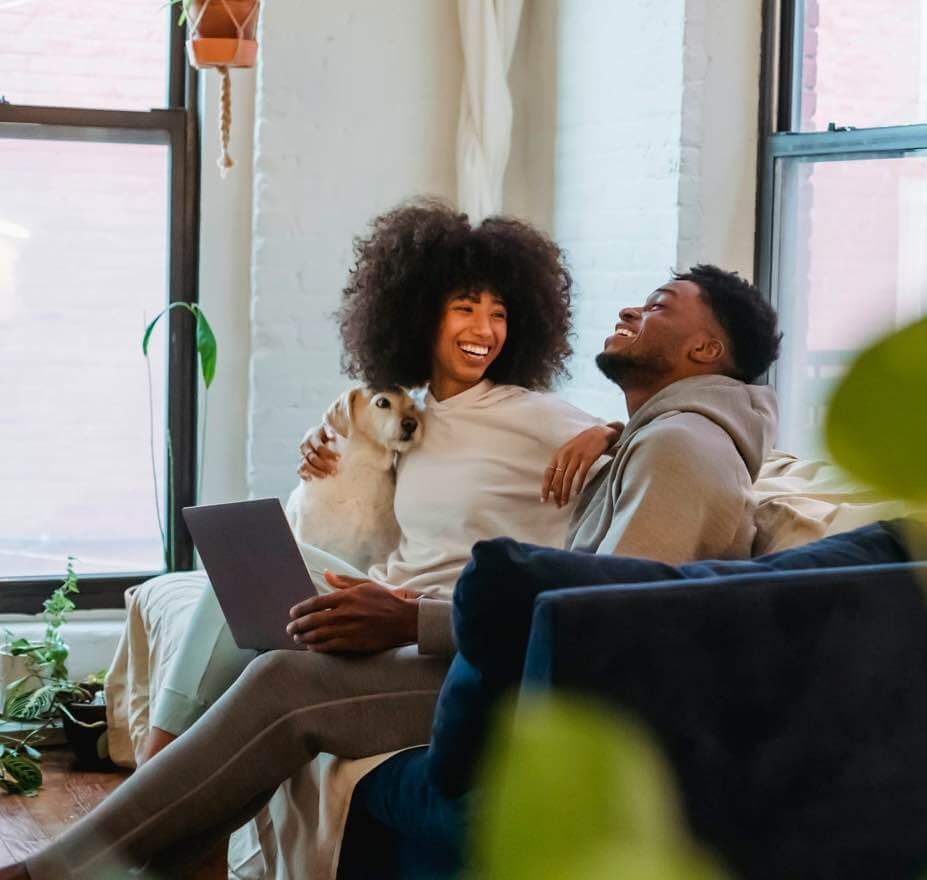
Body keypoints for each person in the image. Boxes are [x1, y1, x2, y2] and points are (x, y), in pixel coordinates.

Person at [6, 264, 782, 880]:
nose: (631, 310)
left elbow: (612, 621)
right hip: (525, 656)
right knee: (265, 626)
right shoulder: (663, 438)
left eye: (658, 305)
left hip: (563, 697)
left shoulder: (678, 448)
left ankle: (60, 869)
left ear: (704, 352)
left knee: (287, 683)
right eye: (462, 308)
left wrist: (414, 619)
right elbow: (602, 590)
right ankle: (137, 853)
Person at [132, 199, 613, 764]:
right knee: (243, 555)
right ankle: (162, 760)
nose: (485, 330)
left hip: (428, 620)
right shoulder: (415, 416)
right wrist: (320, 440)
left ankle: (154, 764)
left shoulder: (530, 413)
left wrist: (608, 431)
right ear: (420, 315)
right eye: (464, 309)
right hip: (375, 589)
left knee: (248, 591)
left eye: (499, 314)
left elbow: (652, 446)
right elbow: (360, 443)